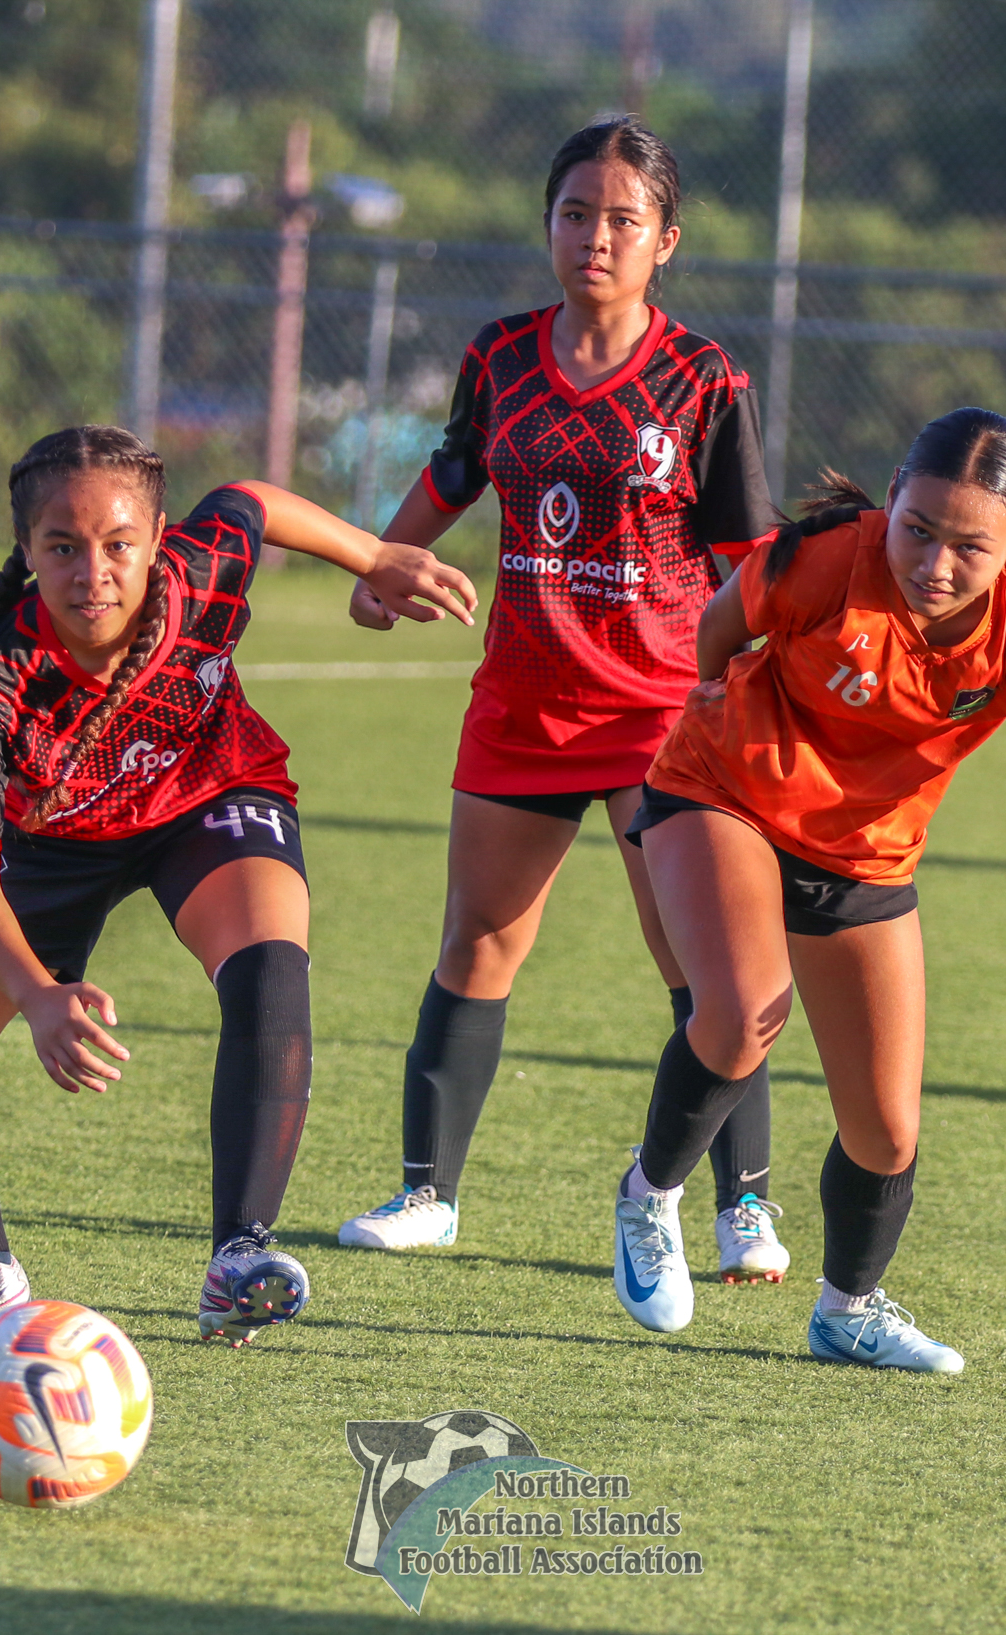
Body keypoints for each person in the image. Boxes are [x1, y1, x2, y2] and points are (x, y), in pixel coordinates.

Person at [0, 425, 475, 1344]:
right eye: (61, 547)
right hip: (56, 840)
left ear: (157, 537)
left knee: (269, 961)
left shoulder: (201, 569)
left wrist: (375, 556)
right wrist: (40, 995)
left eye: (117, 544)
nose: (91, 571)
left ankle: (239, 1256)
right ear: (26, 551)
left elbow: (252, 504)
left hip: (208, 791)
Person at [337, 116, 794, 1282]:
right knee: (477, 943)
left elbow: (752, 554)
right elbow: (451, 473)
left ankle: (742, 1208)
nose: (596, 235)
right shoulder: (498, 355)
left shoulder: (702, 379)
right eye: (576, 212)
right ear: (549, 224)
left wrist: (759, 686)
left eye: (622, 219)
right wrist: (382, 567)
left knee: (700, 974)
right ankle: (425, 1195)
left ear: (666, 241)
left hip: (661, 719)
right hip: (522, 706)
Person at [613, 407, 1006, 1371]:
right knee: (738, 1014)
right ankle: (650, 1197)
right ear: (891, 497)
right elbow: (718, 628)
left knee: (886, 1129)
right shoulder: (823, 560)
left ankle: (848, 1309)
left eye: (970, 545)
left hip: (867, 859)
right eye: (918, 528)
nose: (934, 561)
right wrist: (715, 690)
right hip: (724, 794)